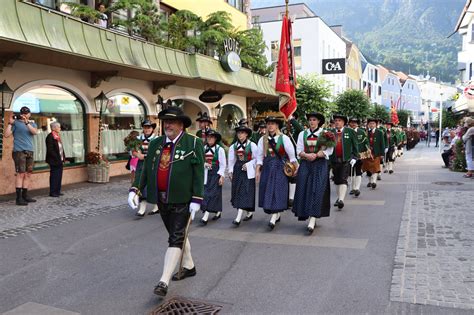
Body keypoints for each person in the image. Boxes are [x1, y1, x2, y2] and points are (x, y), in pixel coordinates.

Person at [128, 106, 204, 297]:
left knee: (175, 238)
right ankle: (189, 266)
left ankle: (164, 281)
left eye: (172, 121)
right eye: (165, 122)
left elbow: (199, 173)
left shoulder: (193, 143)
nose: (167, 125)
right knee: (176, 234)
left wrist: (197, 198)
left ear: (181, 124)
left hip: (183, 200)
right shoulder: (155, 144)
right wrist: (135, 189)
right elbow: (145, 169)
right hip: (161, 199)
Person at [292, 112, 334, 234]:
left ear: (319, 121)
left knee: (317, 190)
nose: (312, 122)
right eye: (310, 119)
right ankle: (308, 215)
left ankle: (313, 218)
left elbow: (329, 150)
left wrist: (316, 155)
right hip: (306, 164)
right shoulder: (302, 134)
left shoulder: (326, 134)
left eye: (314, 120)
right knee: (304, 189)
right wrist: (306, 155)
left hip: (320, 165)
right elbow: (298, 150)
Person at [256, 115, 298, 230]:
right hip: (268, 168)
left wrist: (296, 168)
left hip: (280, 168)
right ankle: (276, 213)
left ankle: (273, 218)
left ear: (277, 126)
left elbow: (292, 156)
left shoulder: (284, 138)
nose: (270, 126)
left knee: (277, 191)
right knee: (269, 191)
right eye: (268, 124)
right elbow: (259, 157)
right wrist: (257, 171)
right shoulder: (262, 139)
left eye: (273, 124)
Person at [4, 106, 39, 206]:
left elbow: (35, 132)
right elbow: (6, 135)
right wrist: (10, 123)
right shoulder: (16, 123)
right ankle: (18, 198)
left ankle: (25, 195)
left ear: (29, 114)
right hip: (19, 151)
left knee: (28, 174)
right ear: (20, 113)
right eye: (23, 113)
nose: (24, 114)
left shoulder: (32, 123)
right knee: (21, 174)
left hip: (30, 151)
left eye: (26, 113)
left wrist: (27, 122)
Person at [228, 125, 258, 226]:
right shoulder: (234, 146)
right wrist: (230, 171)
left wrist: (249, 165)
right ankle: (248, 212)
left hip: (248, 170)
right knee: (239, 191)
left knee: (245, 191)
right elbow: (231, 160)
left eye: (242, 133)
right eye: (239, 133)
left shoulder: (252, 145)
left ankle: (238, 217)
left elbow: (257, 159)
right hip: (238, 169)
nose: (240, 134)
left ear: (246, 134)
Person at [329, 114, 359, 210]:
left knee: (343, 179)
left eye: (339, 120)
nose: (337, 122)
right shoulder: (330, 133)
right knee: (337, 180)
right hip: (333, 160)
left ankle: (341, 199)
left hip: (345, 160)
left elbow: (355, 146)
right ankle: (339, 197)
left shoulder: (350, 132)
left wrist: (355, 157)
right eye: (336, 120)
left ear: (344, 123)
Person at [200, 129, 226, 225]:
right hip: (206, 173)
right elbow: (200, 161)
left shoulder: (220, 149)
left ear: (215, 139)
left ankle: (206, 215)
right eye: (208, 137)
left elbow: (223, 164)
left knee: (212, 193)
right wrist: (205, 164)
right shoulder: (202, 148)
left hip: (216, 173)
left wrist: (221, 176)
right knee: (206, 193)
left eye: (212, 137)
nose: (210, 139)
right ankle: (218, 211)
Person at [133, 120, 159, 216]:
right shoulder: (138, 138)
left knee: (153, 185)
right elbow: (132, 150)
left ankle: (157, 207)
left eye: (149, 127)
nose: (147, 129)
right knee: (141, 184)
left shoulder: (157, 139)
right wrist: (136, 154)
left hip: (152, 164)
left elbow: (159, 153)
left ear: (152, 129)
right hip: (141, 164)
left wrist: (148, 156)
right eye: (145, 127)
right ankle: (142, 209)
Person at [362, 118, 386, 189]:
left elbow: (382, 143)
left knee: (375, 168)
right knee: (368, 168)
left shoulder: (380, 132)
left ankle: (374, 182)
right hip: (367, 153)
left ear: (376, 124)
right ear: (368, 124)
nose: (372, 125)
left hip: (376, 153)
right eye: (370, 123)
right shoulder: (365, 132)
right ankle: (370, 181)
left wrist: (382, 154)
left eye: (373, 123)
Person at [45, 122, 66, 197]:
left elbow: (61, 149)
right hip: (54, 160)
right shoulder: (50, 137)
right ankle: (53, 192)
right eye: (59, 127)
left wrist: (63, 158)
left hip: (59, 160)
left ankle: (57, 190)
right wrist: (58, 159)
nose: (60, 128)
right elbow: (50, 150)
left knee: (59, 176)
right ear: (54, 128)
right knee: (54, 176)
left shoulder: (57, 136)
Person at [348, 117, 367, 197]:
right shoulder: (346, 131)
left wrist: (367, 151)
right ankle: (352, 188)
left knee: (358, 171)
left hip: (359, 155)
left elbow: (366, 142)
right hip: (349, 155)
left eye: (355, 122)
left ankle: (357, 188)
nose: (353, 124)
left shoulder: (361, 132)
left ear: (358, 124)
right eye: (352, 122)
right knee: (350, 172)